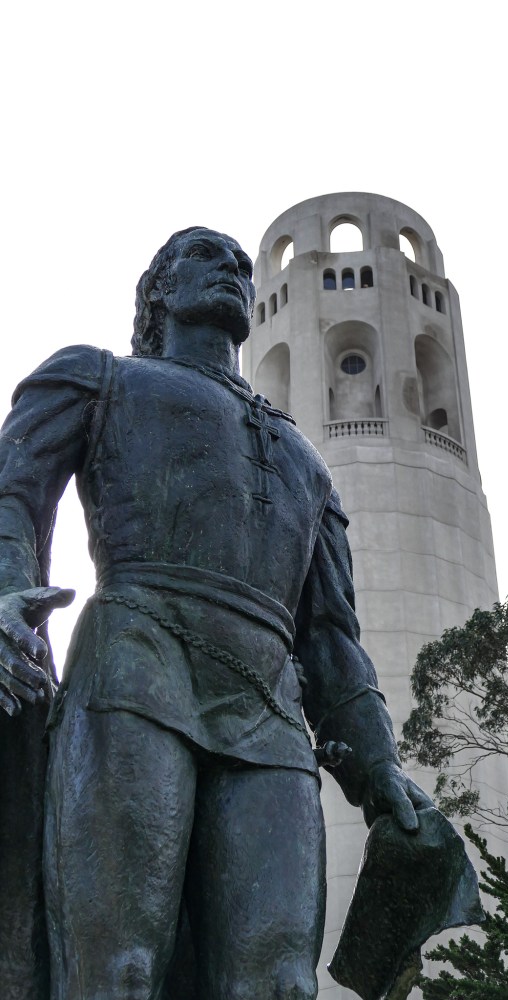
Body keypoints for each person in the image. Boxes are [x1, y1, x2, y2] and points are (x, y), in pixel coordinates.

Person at [0, 228, 433, 1000]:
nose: (232, 269)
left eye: (240, 263)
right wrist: (6, 594)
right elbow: (14, 494)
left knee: (279, 985)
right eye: (207, 256)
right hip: (136, 670)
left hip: (269, 711)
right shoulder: (99, 379)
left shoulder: (305, 460)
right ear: (159, 289)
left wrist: (376, 765)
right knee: (119, 969)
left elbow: (332, 635)